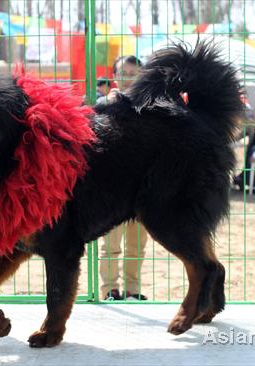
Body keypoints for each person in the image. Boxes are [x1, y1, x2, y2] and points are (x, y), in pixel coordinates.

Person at [97, 55, 148, 301]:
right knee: (111, 245)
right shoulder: (103, 104)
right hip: (111, 187)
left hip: (142, 187)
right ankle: (109, 290)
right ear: (115, 76)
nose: (128, 78)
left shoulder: (149, 105)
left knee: (137, 245)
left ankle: (133, 290)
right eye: (124, 73)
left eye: (133, 73)